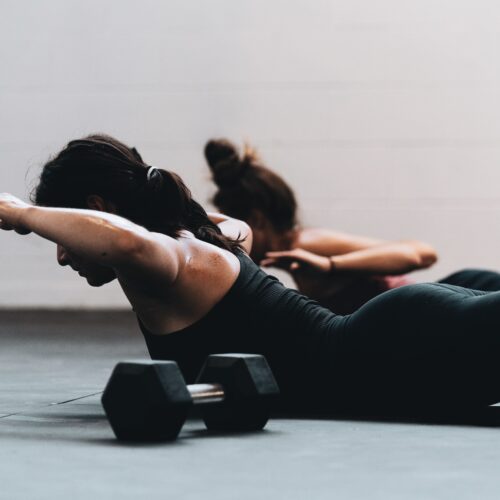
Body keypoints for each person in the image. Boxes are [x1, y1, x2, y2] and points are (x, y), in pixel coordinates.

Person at [3, 134, 500, 414]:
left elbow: (125, 240)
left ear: (96, 209)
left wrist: (21, 214)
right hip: (399, 349)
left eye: (63, 237)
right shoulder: (215, 236)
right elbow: (142, 229)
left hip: (396, 352)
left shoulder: (168, 260)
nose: (63, 256)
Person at [204, 139, 500, 314]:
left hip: (459, 298)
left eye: (233, 229)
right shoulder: (296, 257)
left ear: (256, 220)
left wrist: (331, 265)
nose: (230, 240)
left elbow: (420, 254)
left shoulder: (308, 244)